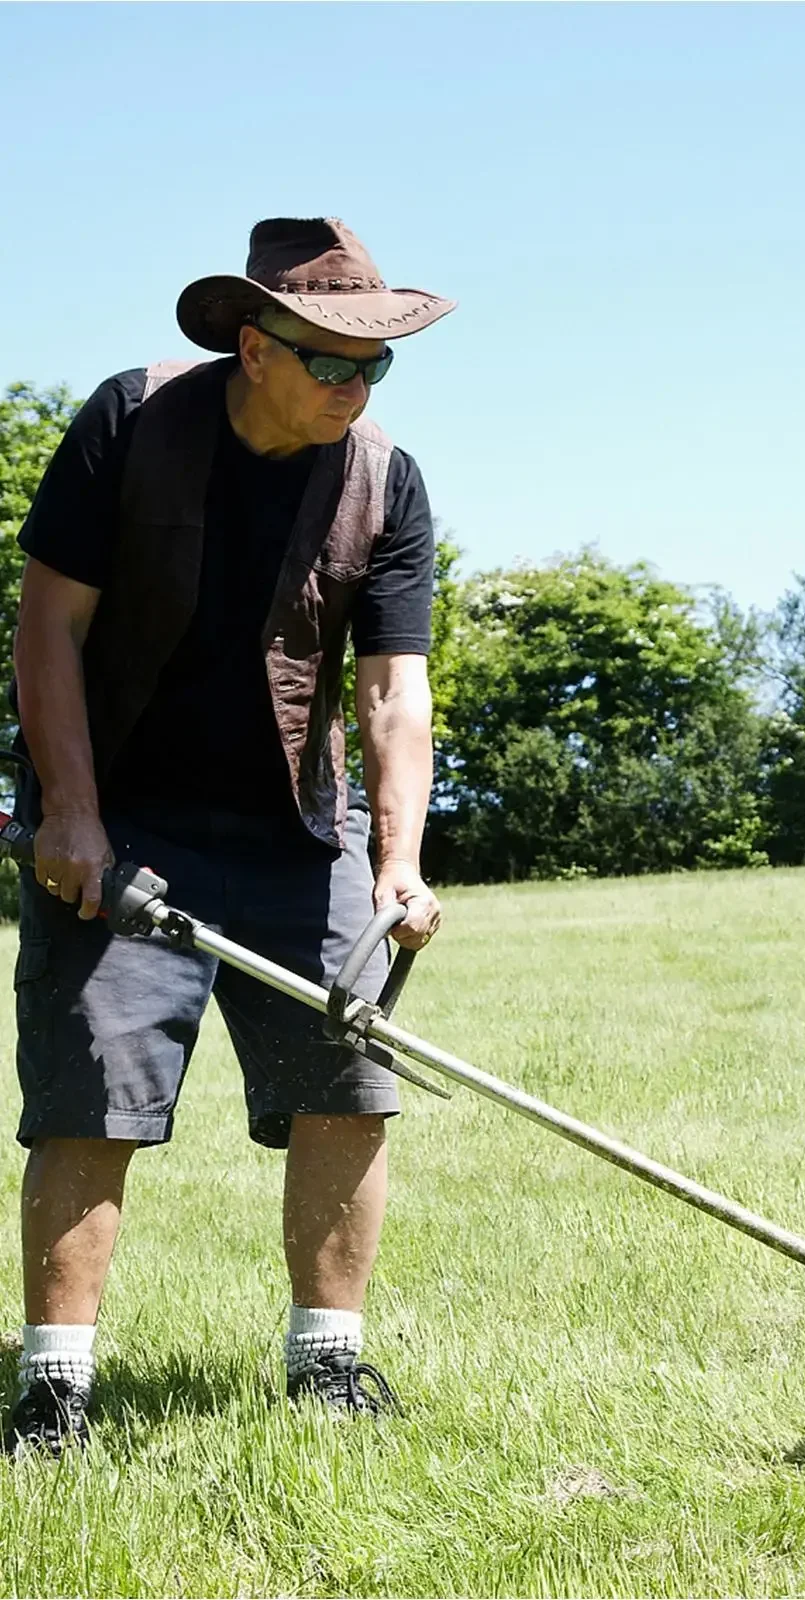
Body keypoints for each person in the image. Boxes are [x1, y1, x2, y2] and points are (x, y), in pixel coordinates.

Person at [4, 217, 454, 1456]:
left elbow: (392, 690)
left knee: (349, 1080)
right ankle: (54, 1393)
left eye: (376, 368)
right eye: (330, 362)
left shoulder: (384, 477)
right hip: (123, 814)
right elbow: (48, 628)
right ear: (255, 346)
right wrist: (74, 811)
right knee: (93, 1086)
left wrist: (396, 859)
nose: (354, 390)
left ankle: (330, 1366)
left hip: (297, 826)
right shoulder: (130, 423)